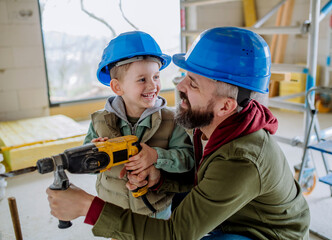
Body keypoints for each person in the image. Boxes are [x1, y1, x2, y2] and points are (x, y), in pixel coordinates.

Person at [47, 27, 310, 240]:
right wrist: (159, 179)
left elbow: (175, 235)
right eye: (184, 75)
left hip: (264, 233)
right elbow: (200, 180)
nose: (178, 85)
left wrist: (87, 207)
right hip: (236, 214)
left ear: (225, 106)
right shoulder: (212, 125)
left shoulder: (240, 159)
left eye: (192, 83)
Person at [83, 31, 194, 220]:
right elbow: (86, 163)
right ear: (118, 87)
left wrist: (157, 156)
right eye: (142, 79)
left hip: (155, 211)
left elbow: (188, 160)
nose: (152, 86)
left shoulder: (172, 120)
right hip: (113, 211)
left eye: (156, 77)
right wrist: (95, 154)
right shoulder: (100, 121)